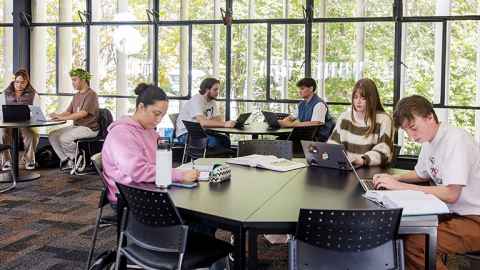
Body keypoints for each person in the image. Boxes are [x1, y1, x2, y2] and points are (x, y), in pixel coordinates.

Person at [372, 95, 480, 270]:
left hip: (473, 217)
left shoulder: (456, 140)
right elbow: (421, 173)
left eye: (413, 128)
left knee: (417, 245)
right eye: (406, 131)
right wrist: (394, 178)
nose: (411, 136)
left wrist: (400, 186)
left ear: (430, 117)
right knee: (396, 233)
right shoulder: (429, 141)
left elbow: (451, 194)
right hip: (451, 212)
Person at [102, 83, 199, 205]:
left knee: (194, 201)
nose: (159, 120)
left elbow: (162, 163)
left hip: (149, 188)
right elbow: (137, 171)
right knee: (194, 211)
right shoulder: (121, 133)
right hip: (131, 198)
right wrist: (178, 175)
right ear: (141, 107)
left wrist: (176, 172)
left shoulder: (150, 131)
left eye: (162, 115)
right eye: (156, 113)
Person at [328, 78, 393, 167]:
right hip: (346, 168)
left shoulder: (384, 119)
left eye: (363, 98)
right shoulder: (344, 117)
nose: (358, 101)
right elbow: (333, 144)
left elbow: (384, 151)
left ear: (372, 99)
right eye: (355, 97)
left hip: (371, 171)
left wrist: (362, 160)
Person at [48, 68, 99, 170]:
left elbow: (82, 113)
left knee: (64, 138)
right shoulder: (76, 95)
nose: (72, 83)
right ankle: (67, 160)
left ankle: (77, 158)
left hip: (89, 128)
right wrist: (57, 116)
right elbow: (69, 111)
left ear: (83, 80)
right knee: (52, 135)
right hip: (77, 127)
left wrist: (62, 117)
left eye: (75, 80)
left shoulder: (91, 94)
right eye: (72, 80)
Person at [176, 77, 234, 149]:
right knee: (214, 142)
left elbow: (220, 119)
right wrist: (225, 124)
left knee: (225, 139)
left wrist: (208, 121)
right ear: (207, 90)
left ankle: (222, 159)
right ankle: (209, 159)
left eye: (218, 89)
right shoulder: (197, 99)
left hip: (201, 132)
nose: (217, 92)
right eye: (215, 89)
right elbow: (203, 123)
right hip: (186, 134)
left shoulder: (212, 101)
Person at [0, 69, 41, 170]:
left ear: (27, 82)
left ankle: (29, 159)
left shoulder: (34, 95)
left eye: (22, 82)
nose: (19, 85)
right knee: (1, 133)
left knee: (33, 134)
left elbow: (37, 113)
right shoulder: (4, 94)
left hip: (26, 122)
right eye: (17, 82)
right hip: (7, 122)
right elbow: (0, 111)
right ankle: (6, 161)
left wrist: (32, 117)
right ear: (14, 82)